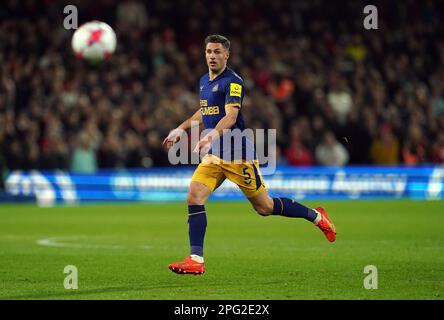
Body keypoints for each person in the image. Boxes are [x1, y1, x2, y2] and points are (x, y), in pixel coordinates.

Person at [163, 35, 336, 275]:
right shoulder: (204, 81)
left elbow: (231, 116)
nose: (212, 56)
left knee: (264, 207)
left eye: (217, 52)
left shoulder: (233, 82)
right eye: (208, 52)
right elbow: (202, 114)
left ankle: (316, 216)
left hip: (237, 154)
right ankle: (196, 259)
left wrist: (210, 136)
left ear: (227, 55)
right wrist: (180, 129)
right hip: (214, 156)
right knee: (194, 197)